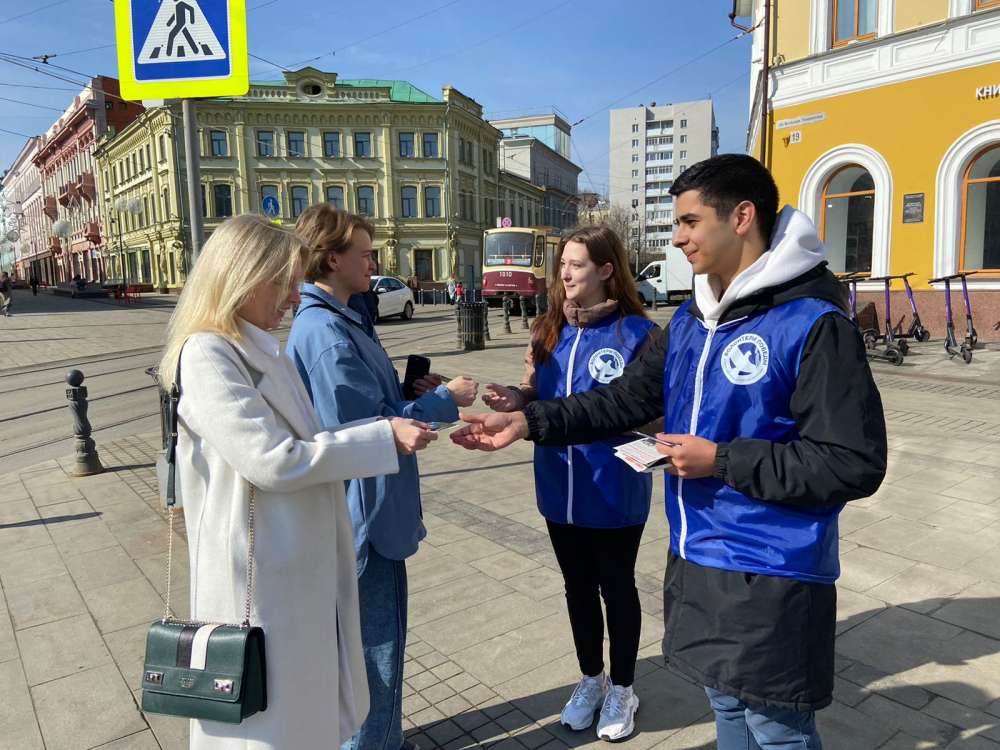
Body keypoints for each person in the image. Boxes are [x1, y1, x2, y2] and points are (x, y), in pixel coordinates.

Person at [451, 154, 887, 750]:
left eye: (688, 221)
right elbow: (621, 400)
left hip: (773, 567)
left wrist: (721, 460)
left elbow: (852, 461)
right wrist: (528, 422)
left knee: (776, 728)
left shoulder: (813, 322)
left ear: (741, 217)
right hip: (697, 550)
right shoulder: (690, 320)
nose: (677, 238)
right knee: (726, 706)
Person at [157, 214, 436, 750]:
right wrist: (384, 437)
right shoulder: (208, 353)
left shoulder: (259, 348)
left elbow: (310, 440)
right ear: (241, 276)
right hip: (257, 572)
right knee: (266, 720)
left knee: (304, 707)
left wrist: (385, 431)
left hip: (293, 561)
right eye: (282, 281)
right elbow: (274, 460)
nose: (292, 295)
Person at [286, 205, 479, 750]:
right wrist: (444, 400)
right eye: (365, 254)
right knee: (376, 652)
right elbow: (363, 437)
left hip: (368, 513)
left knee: (375, 647)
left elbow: (374, 410)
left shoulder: (343, 318)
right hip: (365, 521)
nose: (373, 264)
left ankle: (381, 739)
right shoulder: (328, 333)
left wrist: (409, 390)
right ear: (332, 259)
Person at [482, 224, 658, 741]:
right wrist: (517, 399)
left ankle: (623, 687)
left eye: (576, 264)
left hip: (615, 488)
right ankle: (590, 679)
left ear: (606, 270)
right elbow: (536, 393)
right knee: (577, 588)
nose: (564, 273)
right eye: (562, 264)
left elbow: (654, 412)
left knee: (617, 588)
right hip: (559, 487)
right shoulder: (546, 329)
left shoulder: (640, 335)